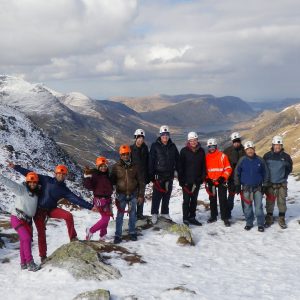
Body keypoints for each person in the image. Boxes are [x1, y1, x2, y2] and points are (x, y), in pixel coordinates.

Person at [8, 163, 93, 262]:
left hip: (52, 210)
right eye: (59, 173)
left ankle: (73, 237)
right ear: (55, 174)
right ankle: (43, 256)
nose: (60, 175)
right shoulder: (46, 180)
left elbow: (76, 199)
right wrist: (16, 167)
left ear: (65, 175)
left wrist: (90, 207)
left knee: (68, 215)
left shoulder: (64, 189)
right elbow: (29, 174)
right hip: (39, 212)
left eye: (63, 174)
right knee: (41, 233)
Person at [0, 171, 41, 271]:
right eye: (30, 182)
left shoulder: (36, 193)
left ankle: (23, 263)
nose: (32, 184)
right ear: (27, 182)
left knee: (24, 240)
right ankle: (30, 263)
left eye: (34, 182)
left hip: (27, 221)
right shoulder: (21, 190)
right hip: (17, 218)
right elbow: (10, 183)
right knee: (26, 238)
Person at [110, 145, 145, 244]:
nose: (125, 156)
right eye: (123, 154)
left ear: (130, 154)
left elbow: (141, 181)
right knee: (120, 215)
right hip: (121, 195)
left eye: (127, 154)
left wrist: (141, 195)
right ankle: (118, 235)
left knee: (133, 214)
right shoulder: (116, 167)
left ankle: (132, 232)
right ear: (120, 155)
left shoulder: (135, 166)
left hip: (133, 194)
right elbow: (111, 181)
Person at [234, 141, 269, 232]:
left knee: (258, 208)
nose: (250, 151)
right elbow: (237, 173)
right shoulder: (242, 160)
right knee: (247, 207)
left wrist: (265, 185)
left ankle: (260, 224)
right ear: (245, 150)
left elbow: (266, 173)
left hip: (258, 188)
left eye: (251, 149)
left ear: (254, 149)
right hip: (246, 188)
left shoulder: (260, 160)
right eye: (248, 149)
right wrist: (237, 184)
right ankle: (249, 223)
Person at [148, 125, 180, 224]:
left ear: (169, 135)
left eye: (166, 135)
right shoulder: (155, 145)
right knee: (157, 196)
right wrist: (152, 175)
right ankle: (154, 213)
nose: (165, 137)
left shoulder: (172, 146)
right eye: (163, 135)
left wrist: (178, 171)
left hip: (169, 175)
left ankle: (165, 212)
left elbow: (177, 160)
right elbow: (151, 160)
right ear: (160, 135)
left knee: (167, 195)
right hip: (159, 175)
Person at [263, 136, 293, 229]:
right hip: (270, 184)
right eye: (276, 145)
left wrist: (284, 176)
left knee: (282, 202)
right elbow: (264, 169)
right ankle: (269, 218)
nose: (277, 147)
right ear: (273, 145)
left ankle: (281, 218)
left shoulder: (286, 157)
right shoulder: (267, 156)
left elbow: (289, 168)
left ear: (281, 145)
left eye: (279, 145)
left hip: (281, 184)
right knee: (270, 202)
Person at [178, 132, 205, 226]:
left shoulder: (201, 151)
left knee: (194, 200)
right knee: (186, 200)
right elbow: (180, 167)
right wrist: (181, 180)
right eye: (191, 140)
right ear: (188, 141)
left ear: (197, 140)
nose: (193, 142)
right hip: (186, 181)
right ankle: (185, 218)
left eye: (195, 140)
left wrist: (202, 178)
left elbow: (203, 166)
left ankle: (192, 217)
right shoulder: (184, 151)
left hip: (196, 181)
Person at [84, 156, 113, 241]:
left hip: (107, 200)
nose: (103, 168)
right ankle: (91, 230)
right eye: (101, 166)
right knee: (105, 218)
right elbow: (89, 186)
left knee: (106, 219)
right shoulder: (95, 175)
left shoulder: (107, 175)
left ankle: (102, 235)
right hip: (100, 200)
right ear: (98, 166)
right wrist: (87, 177)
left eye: (105, 166)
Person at [205, 138, 232, 227]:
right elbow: (204, 170)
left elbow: (228, 168)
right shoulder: (206, 158)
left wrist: (223, 177)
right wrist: (207, 179)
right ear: (208, 147)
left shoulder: (222, 156)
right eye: (210, 147)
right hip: (211, 182)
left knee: (223, 199)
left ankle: (225, 217)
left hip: (221, 181)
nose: (211, 148)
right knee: (212, 200)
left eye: (213, 146)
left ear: (216, 146)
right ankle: (213, 216)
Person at [224, 132, 246, 218]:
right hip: (232, 178)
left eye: (238, 141)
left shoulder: (245, 151)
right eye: (234, 141)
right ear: (232, 142)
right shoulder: (227, 151)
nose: (236, 143)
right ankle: (228, 213)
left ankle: (246, 212)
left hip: (243, 178)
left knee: (244, 197)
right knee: (231, 196)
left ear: (240, 141)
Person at [130, 129, 150, 220]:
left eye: (142, 138)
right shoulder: (131, 149)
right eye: (139, 138)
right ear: (135, 138)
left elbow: (148, 162)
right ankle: (133, 215)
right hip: (133, 177)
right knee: (133, 197)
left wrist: (149, 175)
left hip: (143, 176)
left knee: (141, 196)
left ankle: (140, 214)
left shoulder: (145, 148)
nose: (140, 140)